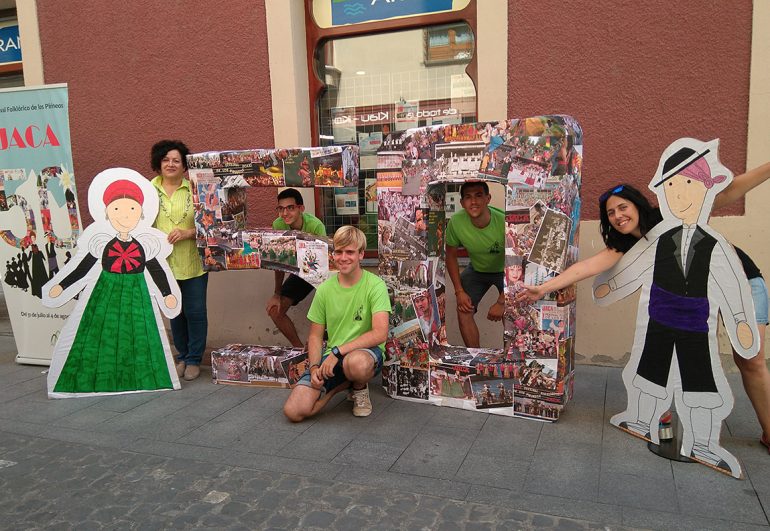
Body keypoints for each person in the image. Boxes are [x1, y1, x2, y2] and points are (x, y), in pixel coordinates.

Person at [517, 160, 770, 453]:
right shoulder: (625, 245)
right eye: (610, 213)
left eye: (623, 207)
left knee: (750, 361)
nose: (618, 216)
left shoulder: (671, 213)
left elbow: (727, 191)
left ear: (637, 204)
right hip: (692, 302)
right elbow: (586, 267)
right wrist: (543, 288)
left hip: (741, 283)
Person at [45, 170, 180, 395]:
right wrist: (63, 285)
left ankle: (142, 379)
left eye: (132, 210)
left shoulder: (145, 245)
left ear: (141, 213)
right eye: (117, 209)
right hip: (104, 295)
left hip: (137, 297)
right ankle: (93, 380)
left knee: (139, 337)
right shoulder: (101, 243)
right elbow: (83, 267)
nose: (125, 215)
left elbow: (155, 269)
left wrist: (167, 293)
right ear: (107, 212)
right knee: (98, 337)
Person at [283, 226, 391, 421]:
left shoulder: (375, 286)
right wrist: (315, 367)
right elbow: (315, 336)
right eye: (338, 252)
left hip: (364, 354)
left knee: (356, 364)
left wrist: (337, 351)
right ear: (332, 255)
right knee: (294, 411)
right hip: (332, 357)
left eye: (350, 252)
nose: (343, 257)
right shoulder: (324, 289)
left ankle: (358, 387)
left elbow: (380, 334)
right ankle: (341, 387)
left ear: (361, 255)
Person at [150, 139, 208, 381]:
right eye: (166, 160)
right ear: (158, 163)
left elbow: (209, 223)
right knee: (174, 312)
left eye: (176, 160)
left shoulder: (195, 189)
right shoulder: (147, 191)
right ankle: (182, 356)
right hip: (163, 265)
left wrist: (187, 233)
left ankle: (195, 359)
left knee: (195, 311)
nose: (171, 164)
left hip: (193, 262)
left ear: (184, 165)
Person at [445, 181, 505, 347]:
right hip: (477, 269)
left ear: (488, 198)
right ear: (462, 203)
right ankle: (475, 358)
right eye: (468, 197)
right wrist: (459, 292)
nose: (473, 202)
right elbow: (450, 256)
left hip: (506, 271)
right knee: (464, 308)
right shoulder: (456, 222)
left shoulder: (503, 222)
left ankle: (512, 358)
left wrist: (502, 301)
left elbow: (519, 263)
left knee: (513, 311)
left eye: (479, 196)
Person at [266, 188, 326, 347]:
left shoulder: (315, 226)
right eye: (281, 208)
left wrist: (325, 298)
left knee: (328, 311)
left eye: (290, 208)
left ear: (301, 208)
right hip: (298, 271)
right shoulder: (278, 224)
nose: (285, 213)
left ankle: (326, 350)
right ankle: (299, 350)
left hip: (319, 270)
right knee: (274, 310)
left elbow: (323, 266)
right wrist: (277, 293)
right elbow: (278, 263)